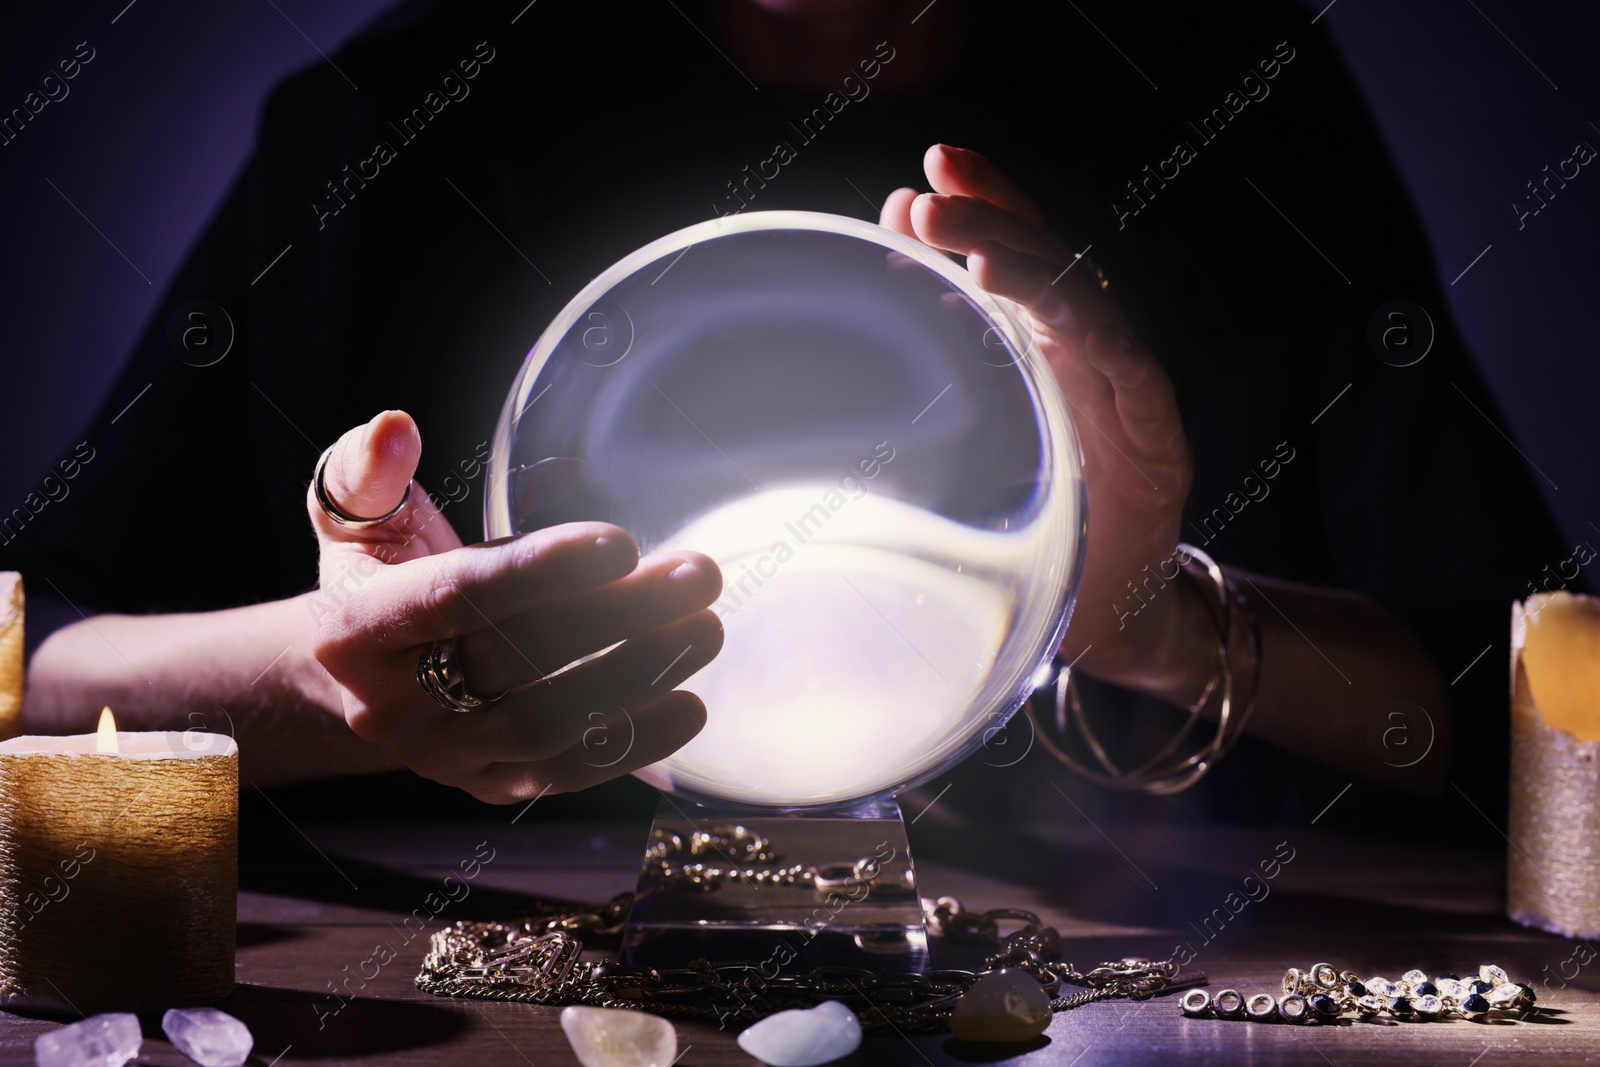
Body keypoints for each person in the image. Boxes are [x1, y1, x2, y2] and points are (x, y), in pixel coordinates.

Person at [4, 0, 1566, 822]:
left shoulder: (1227, 101)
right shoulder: (401, 127)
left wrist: (1149, 618)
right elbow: (33, 673)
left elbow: (1528, 727)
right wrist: (329, 682)